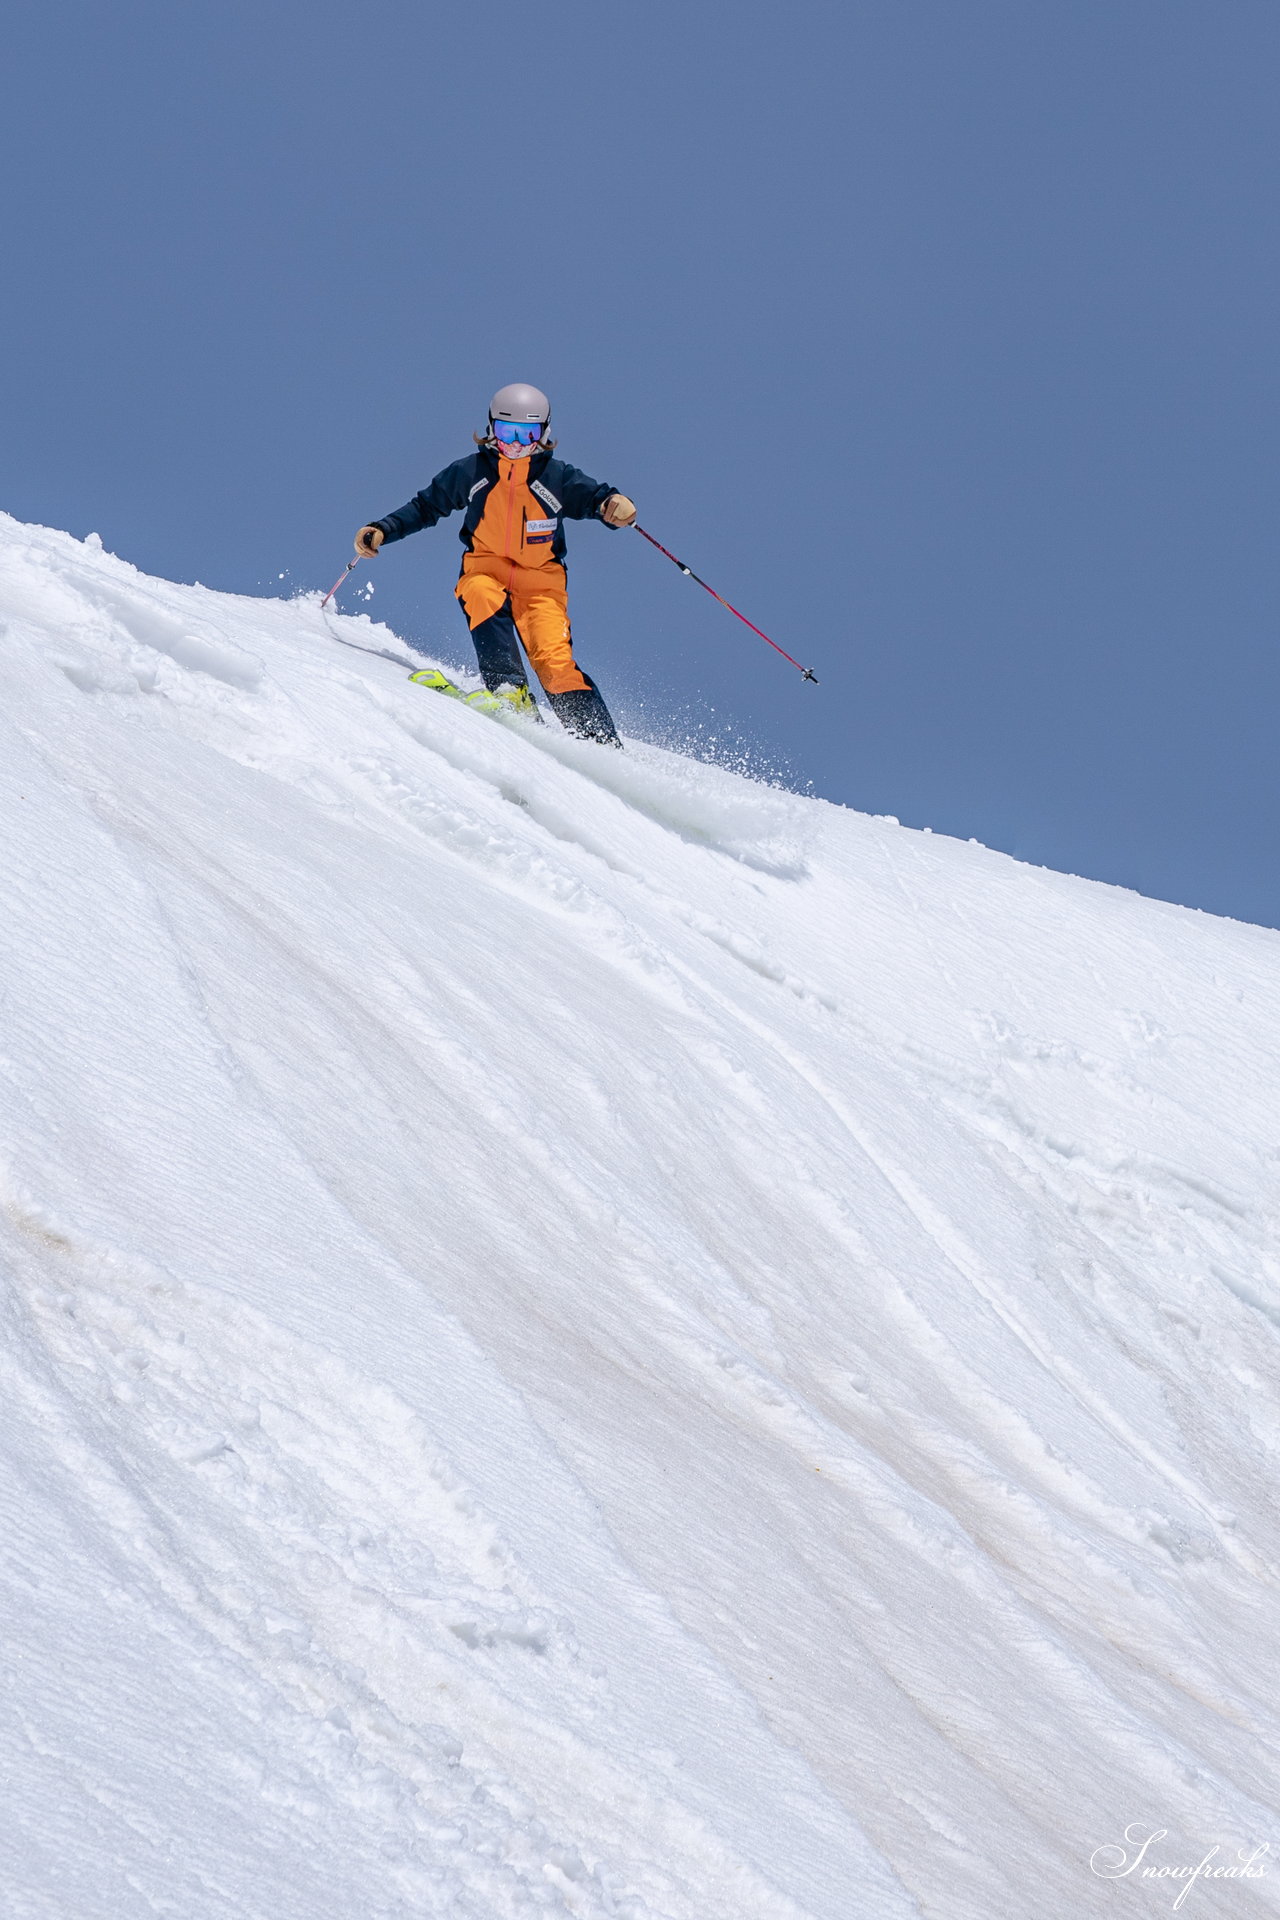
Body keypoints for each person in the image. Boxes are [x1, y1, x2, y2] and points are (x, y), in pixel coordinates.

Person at [355, 384, 635, 745]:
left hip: (541, 583)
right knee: (479, 593)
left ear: (544, 434)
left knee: (554, 663)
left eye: (527, 434)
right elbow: (426, 506)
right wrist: (382, 529)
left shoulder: (557, 478)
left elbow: (598, 499)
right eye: (506, 432)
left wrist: (615, 505)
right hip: (486, 567)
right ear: (491, 429)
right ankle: (510, 691)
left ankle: (600, 744)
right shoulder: (473, 472)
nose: (516, 444)